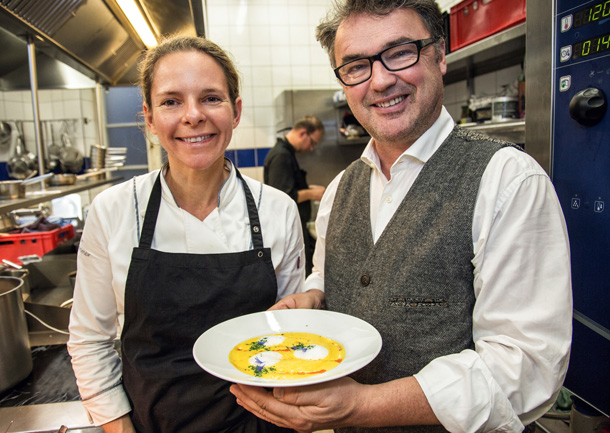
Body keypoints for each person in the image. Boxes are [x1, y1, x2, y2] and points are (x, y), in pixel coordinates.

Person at [230, 1, 573, 432]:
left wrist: (361, 406)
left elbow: (525, 368)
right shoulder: (340, 189)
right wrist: (313, 298)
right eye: (356, 65)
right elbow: (328, 276)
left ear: (439, 54)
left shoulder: (507, 180)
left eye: (399, 52)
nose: (380, 80)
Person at [68, 35, 323, 433]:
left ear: (235, 112)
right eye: (171, 101)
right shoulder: (114, 211)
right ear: (150, 118)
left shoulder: (278, 210)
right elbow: (89, 340)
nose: (193, 115)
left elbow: (287, 336)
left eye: (211, 98)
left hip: (260, 425)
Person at [263, 116, 326, 276]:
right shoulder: (281, 156)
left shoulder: (286, 153)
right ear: (303, 133)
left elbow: (288, 186)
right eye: (312, 142)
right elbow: (284, 195)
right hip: (287, 231)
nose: (311, 148)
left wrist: (308, 188)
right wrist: (312, 193)